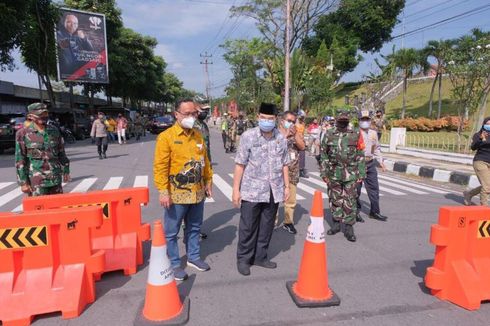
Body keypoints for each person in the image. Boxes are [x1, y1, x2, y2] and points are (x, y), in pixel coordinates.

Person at [153, 98, 213, 281]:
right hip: (176, 195)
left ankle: (193, 257)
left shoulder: (198, 135)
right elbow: (160, 167)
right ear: (176, 114)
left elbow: (206, 161)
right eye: (187, 113)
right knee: (172, 232)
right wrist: (163, 191)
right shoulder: (166, 137)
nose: (191, 117)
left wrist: (208, 180)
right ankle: (173, 263)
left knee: (194, 227)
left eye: (193, 113)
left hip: (197, 192)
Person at [232, 103, 290, 276]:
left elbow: (285, 163)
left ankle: (260, 256)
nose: (266, 121)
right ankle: (243, 259)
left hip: (274, 190)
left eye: (270, 119)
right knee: (248, 226)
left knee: (266, 226)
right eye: (263, 118)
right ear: (258, 117)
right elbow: (240, 164)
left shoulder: (281, 138)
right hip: (252, 189)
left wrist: (287, 187)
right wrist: (236, 189)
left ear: (275, 119)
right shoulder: (248, 136)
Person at [320, 110, 366, 242]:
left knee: (350, 199)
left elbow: (360, 155)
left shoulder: (356, 134)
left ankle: (349, 228)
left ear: (348, 119)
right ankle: (336, 224)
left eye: (345, 118)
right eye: (341, 118)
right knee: (335, 198)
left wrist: (361, 173)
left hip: (351, 174)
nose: (343, 120)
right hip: (333, 173)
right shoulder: (329, 134)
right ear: (337, 119)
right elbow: (323, 154)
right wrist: (324, 172)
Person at [15, 103, 70, 196]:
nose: (43, 117)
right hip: (37, 182)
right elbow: (20, 159)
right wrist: (23, 182)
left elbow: (61, 152)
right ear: (31, 116)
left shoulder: (54, 131)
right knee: (39, 208)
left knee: (57, 208)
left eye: (45, 114)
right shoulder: (23, 133)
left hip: (55, 179)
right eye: (40, 115)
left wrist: (66, 170)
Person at [276, 111, 305, 234]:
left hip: (292, 171)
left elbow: (302, 147)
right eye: (289, 121)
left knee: (291, 200)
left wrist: (296, 135)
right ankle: (271, 222)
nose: (291, 123)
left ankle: (288, 222)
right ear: (282, 121)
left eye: (293, 121)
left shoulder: (296, 133)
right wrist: (286, 135)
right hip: (276, 172)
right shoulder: (274, 133)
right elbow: (275, 147)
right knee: (274, 199)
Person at [356, 110, 388, 222]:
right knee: (356, 190)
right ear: (359, 120)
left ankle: (374, 212)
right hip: (358, 164)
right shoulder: (355, 133)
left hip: (370, 163)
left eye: (367, 119)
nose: (365, 121)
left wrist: (381, 162)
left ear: (370, 121)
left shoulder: (373, 133)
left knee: (374, 189)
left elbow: (377, 148)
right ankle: (355, 212)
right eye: (363, 119)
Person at [463, 118, 490, 206]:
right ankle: (484, 208)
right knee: (486, 186)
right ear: (483, 124)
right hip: (480, 162)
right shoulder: (478, 135)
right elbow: (473, 147)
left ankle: (469, 194)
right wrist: (481, 139)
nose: (489, 126)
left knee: (487, 185)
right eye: (487, 124)